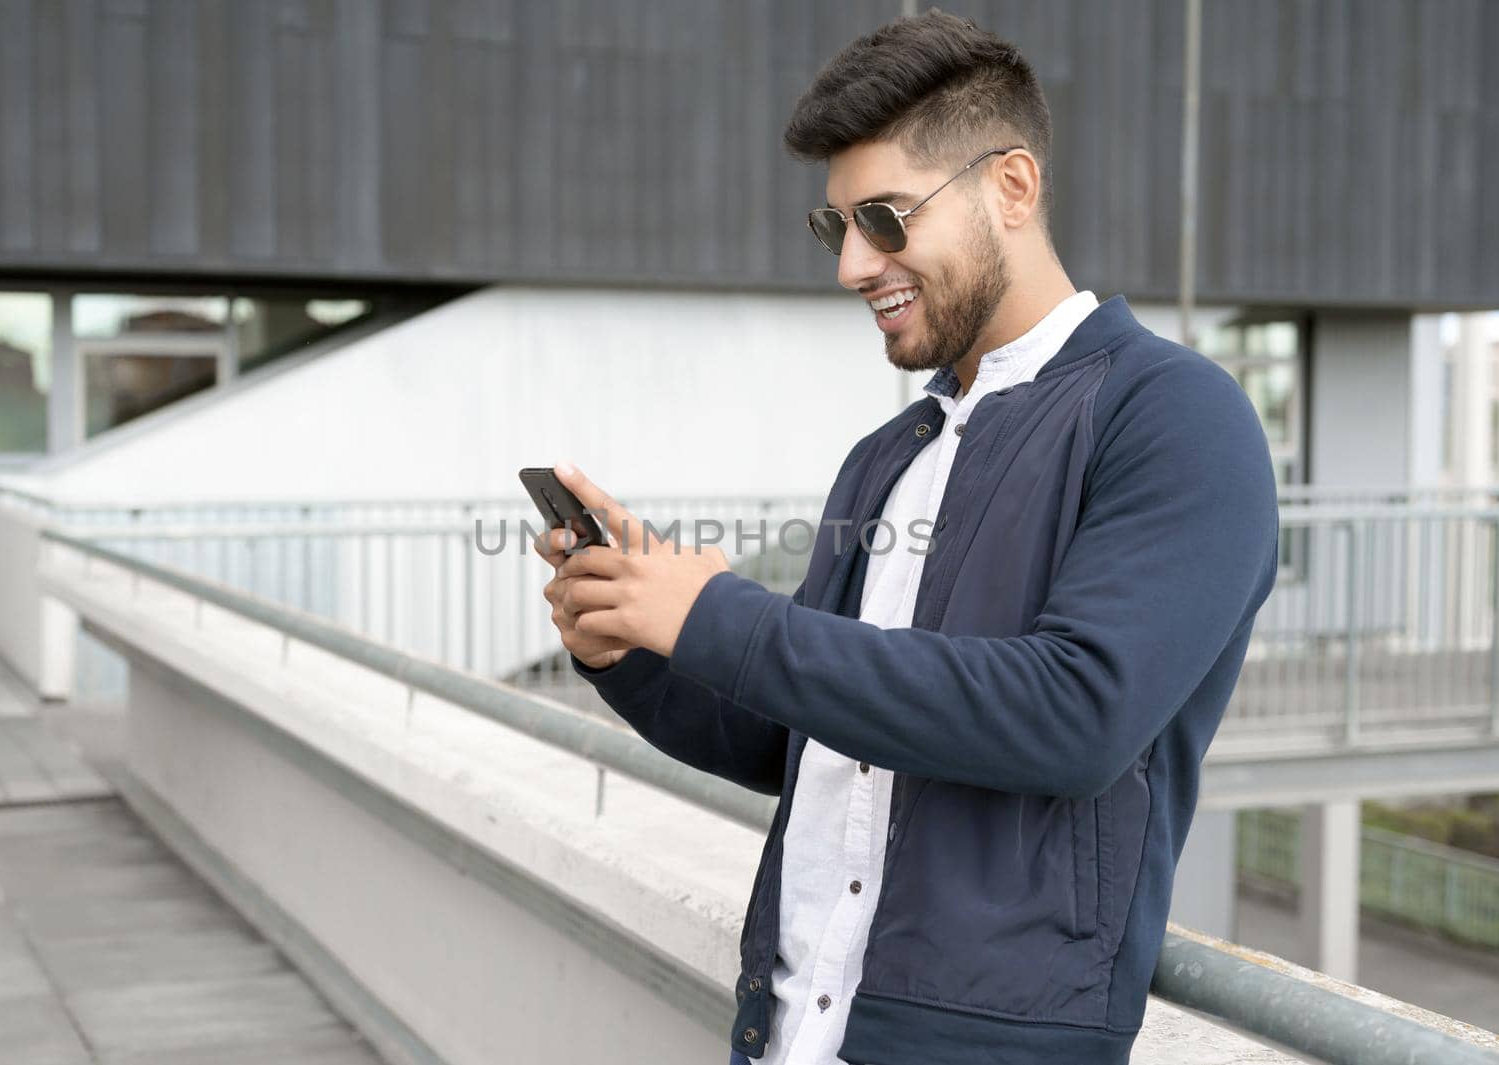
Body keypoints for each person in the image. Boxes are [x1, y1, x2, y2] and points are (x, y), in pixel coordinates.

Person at [533, 11, 1277, 1065]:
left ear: (1010, 188)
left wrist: (721, 615)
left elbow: (1076, 716)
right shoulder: (887, 455)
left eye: (882, 217)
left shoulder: (1177, 416)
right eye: (832, 226)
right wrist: (632, 646)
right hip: (789, 1032)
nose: (851, 264)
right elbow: (792, 736)